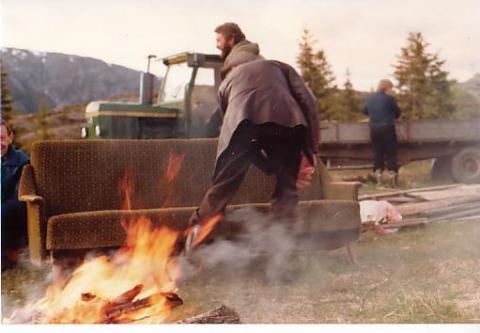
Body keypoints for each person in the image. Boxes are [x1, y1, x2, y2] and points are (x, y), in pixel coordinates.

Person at [184, 23, 319, 251]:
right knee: (286, 189)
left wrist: (265, 165)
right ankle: (282, 255)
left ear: (231, 41)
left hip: (241, 127)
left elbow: (237, 130)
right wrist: (311, 149)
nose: (217, 46)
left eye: (218, 40)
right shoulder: (279, 67)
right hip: (287, 122)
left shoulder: (226, 82)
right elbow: (309, 102)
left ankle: (193, 237)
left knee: (223, 187)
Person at [1, 119, 30, 270]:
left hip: (14, 213)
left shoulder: (21, 161)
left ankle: (8, 258)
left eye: (1, 138)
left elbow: (21, 196)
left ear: (10, 137)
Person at [362, 79, 401, 187]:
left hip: (374, 129)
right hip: (388, 128)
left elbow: (364, 111)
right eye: (391, 88)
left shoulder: (370, 99)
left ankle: (379, 179)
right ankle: (393, 177)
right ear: (387, 88)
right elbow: (398, 113)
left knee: (377, 153)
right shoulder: (390, 99)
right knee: (391, 153)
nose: (392, 91)